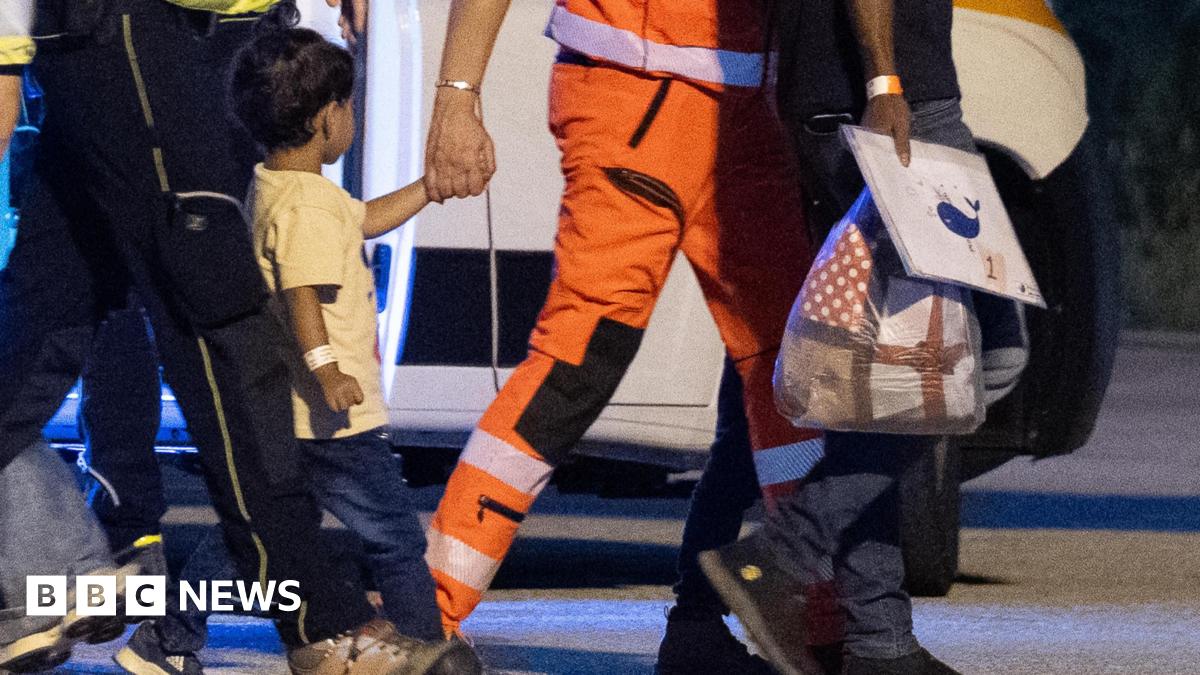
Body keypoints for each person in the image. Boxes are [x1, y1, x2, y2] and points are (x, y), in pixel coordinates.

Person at [417, 0, 916, 639]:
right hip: (634, 90)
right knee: (577, 362)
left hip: (748, 110)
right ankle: (428, 612)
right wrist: (457, 96)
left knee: (792, 374)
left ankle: (816, 627)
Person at [0, 0, 441, 671]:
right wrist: (5, 49)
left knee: (33, 336)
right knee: (224, 332)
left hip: (174, 41)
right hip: (129, 34)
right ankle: (325, 624)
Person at [112, 25, 482, 675]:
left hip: (282, 414)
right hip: (333, 421)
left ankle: (165, 637)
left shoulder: (282, 188)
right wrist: (328, 368)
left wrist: (429, 187)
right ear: (323, 120)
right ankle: (426, 646)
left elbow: (360, 220)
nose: (351, 120)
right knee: (394, 540)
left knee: (250, 538)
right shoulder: (307, 205)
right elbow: (303, 292)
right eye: (347, 107)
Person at [685, 2, 1029, 674]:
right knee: (988, 353)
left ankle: (880, 643)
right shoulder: (891, 89)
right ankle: (782, 553)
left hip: (832, 96)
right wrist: (885, 84)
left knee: (881, 384)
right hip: (899, 107)